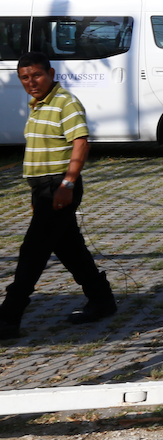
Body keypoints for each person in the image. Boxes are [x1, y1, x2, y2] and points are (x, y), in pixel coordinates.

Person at [0, 52, 118, 339]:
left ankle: (8, 317)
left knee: (33, 250)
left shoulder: (65, 102)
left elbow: (81, 143)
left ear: (51, 73)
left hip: (59, 187)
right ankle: (101, 300)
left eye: (37, 75)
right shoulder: (38, 105)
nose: (31, 82)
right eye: (25, 78)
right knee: (69, 248)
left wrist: (67, 184)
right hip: (42, 189)